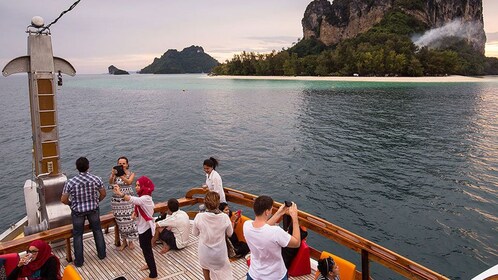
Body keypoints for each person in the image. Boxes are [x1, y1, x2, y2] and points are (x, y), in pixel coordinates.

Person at [61, 157, 106, 267]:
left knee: (77, 235)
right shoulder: (96, 179)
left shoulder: (70, 182)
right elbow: (103, 194)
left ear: (77, 168)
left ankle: (79, 261)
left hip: (78, 211)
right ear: (88, 166)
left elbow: (63, 199)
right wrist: (96, 201)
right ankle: (102, 254)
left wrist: (71, 204)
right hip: (93, 209)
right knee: (97, 230)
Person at [243, 196, 301, 280]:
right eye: (271, 209)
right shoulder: (275, 232)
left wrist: (279, 213)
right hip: (275, 276)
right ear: (267, 212)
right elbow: (296, 243)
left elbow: (263, 227)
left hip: (254, 275)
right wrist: (295, 217)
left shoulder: (247, 225)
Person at [113, 176, 157, 280]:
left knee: (147, 250)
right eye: (136, 185)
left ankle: (153, 274)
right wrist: (135, 214)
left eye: (139, 185)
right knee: (145, 248)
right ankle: (149, 265)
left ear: (144, 186)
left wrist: (120, 193)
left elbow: (132, 200)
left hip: (146, 229)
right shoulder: (144, 198)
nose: (136, 187)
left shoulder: (145, 198)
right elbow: (138, 204)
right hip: (143, 227)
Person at [192, 192, 233, 280]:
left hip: (204, 252)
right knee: (222, 274)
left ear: (205, 204)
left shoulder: (199, 216)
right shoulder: (224, 217)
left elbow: (195, 233)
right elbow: (230, 233)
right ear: (218, 204)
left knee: (206, 271)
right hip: (219, 254)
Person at [109, 156, 138, 251]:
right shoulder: (115, 175)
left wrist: (121, 174)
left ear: (127, 164)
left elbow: (129, 182)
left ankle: (131, 241)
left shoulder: (131, 174)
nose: (121, 165)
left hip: (127, 200)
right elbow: (110, 183)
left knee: (130, 220)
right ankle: (124, 241)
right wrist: (113, 175)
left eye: (123, 163)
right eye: (120, 164)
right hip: (117, 202)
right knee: (120, 222)